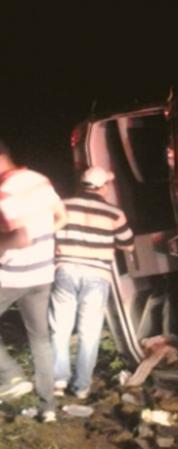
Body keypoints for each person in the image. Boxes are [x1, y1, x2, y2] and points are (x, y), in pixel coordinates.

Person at [49, 166, 134, 400]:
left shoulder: (63, 205)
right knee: (89, 331)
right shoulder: (114, 213)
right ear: (102, 186)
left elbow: (48, 233)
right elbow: (128, 244)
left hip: (65, 270)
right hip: (97, 275)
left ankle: (58, 380)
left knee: (60, 327)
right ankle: (81, 386)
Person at [0, 140, 67, 423]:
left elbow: (19, 237)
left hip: (13, 276)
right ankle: (48, 407)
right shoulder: (40, 180)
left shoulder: (4, 191)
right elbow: (62, 218)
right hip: (43, 274)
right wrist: (43, 242)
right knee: (40, 340)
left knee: (39, 339)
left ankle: (12, 376)